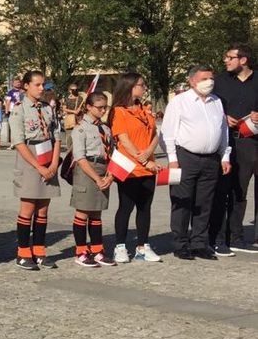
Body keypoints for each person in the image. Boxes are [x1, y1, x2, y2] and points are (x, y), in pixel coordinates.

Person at [163, 65, 231, 261]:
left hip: (211, 159)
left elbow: (223, 131)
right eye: (205, 78)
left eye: (211, 78)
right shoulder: (180, 102)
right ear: (192, 81)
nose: (209, 82)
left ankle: (200, 243)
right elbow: (168, 133)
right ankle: (181, 243)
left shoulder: (216, 101)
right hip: (186, 157)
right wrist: (173, 160)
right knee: (182, 201)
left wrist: (225, 156)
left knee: (204, 202)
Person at [9, 70, 61, 270]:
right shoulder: (20, 110)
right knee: (28, 206)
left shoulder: (48, 109)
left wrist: (54, 164)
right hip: (30, 158)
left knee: (43, 208)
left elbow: (56, 137)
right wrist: (38, 166)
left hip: (48, 154)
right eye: (37, 85)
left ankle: (39, 250)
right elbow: (19, 142)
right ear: (26, 86)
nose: (41, 88)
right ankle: (23, 252)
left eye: (43, 85)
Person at [108, 73, 163, 263]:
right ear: (130, 87)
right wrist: (144, 160)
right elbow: (124, 140)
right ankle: (120, 246)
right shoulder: (119, 111)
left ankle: (143, 246)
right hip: (129, 167)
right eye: (141, 85)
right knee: (126, 207)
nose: (144, 88)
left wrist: (149, 151)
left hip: (148, 166)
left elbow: (155, 133)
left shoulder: (145, 110)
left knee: (145, 207)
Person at [210, 44, 258, 255]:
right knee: (237, 191)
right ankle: (234, 236)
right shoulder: (219, 82)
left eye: (230, 57)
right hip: (235, 143)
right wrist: (222, 117)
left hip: (256, 139)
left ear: (243, 60)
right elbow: (207, 107)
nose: (226, 61)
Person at [70, 92, 116, 267]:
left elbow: (111, 153)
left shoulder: (105, 129)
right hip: (87, 170)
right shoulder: (80, 128)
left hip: (103, 169)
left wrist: (110, 175)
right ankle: (81, 251)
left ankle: (97, 250)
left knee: (97, 212)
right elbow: (80, 157)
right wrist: (97, 178)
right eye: (100, 107)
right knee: (83, 211)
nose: (103, 110)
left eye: (105, 107)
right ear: (88, 107)